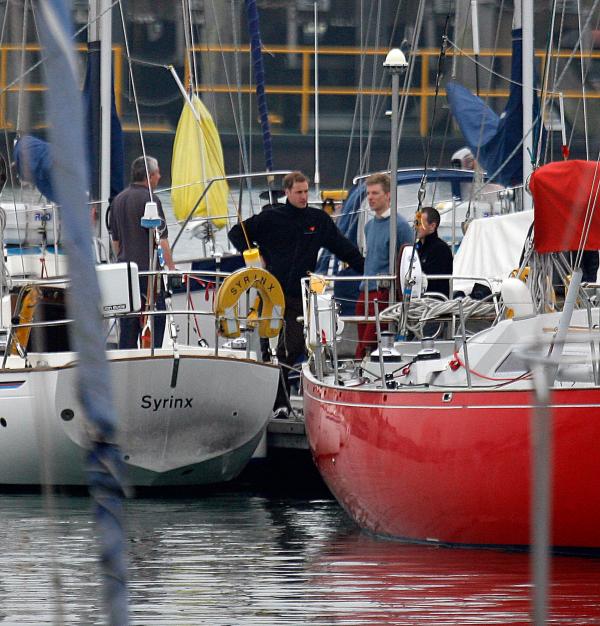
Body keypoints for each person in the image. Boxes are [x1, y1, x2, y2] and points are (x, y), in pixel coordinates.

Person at [228, 170, 364, 418]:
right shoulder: (271, 218)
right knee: (273, 347)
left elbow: (343, 248)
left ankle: (290, 398)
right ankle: (279, 403)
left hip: (300, 295)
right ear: (287, 192)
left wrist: (367, 270)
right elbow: (236, 233)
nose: (303, 196)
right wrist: (256, 255)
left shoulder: (318, 219)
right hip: (272, 293)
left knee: (296, 347)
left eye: (306, 192)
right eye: (299, 192)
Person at [110, 155, 176, 349]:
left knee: (128, 328)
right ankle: (150, 360)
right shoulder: (151, 199)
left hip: (126, 274)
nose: (159, 176)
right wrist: (171, 269)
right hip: (149, 276)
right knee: (155, 323)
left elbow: (116, 242)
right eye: (157, 173)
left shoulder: (118, 200)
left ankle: (126, 364)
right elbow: (161, 238)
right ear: (150, 175)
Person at [355, 173, 413, 359]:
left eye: (375, 193)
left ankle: (365, 371)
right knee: (361, 341)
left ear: (388, 195)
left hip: (383, 294)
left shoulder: (401, 226)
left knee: (367, 345)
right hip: (364, 291)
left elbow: (408, 261)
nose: (370, 197)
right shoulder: (369, 226)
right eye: (368, 193)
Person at [416, 206, 453, 298]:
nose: (415, 227)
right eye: (415, 223)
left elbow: (434, 280)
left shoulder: (441, 249)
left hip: (433, 302)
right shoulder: (417, 248)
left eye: (419, 223)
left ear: (432, 226)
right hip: (418, 300)